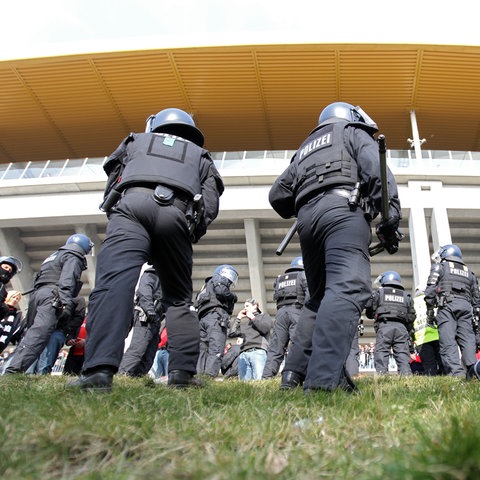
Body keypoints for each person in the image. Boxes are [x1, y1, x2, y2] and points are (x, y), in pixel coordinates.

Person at [68, 107, 224, 391]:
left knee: (113, 286)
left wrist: (116, 214)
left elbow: (113, 180)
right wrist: (190, 233)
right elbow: (210, 203)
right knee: (178, 299)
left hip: (132, 205)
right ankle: (182, 375)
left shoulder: (134, 140)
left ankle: (98, 372)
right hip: (177, 211)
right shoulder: (202, 156)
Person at [269, 101, 402, 393]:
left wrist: (311, 196)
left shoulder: (304, 147)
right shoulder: (353, 132)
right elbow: (377, 172)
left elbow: (277, 196)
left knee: (317, 298)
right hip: (344, 210)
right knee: (348, 287)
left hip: (306, 221)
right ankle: (322, 380)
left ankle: (292, 375)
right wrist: (390, 218)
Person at [4, 234, 92, 374]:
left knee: (32, 334)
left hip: (38, 295)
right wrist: (65, 303)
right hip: (52, 296)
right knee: (40, 334)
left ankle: (14, 367)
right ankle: (14, 370)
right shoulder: (74, 255)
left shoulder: (53, 256)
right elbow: (68, 280)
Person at [424, 244, 480, 379]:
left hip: (447, 306)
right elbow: (477, 299)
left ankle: (456, 375)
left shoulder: (440, 267)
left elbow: (430, 290)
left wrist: (430, 311)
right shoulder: (469, 273)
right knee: (467, 341)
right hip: (466, 308)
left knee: (448, 342)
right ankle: (472, 373)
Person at [262, 256, 308, 379]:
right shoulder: (303, 275)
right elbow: (309, 296)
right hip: (297, 312)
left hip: (281, 313)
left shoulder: (279, 279)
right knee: (296, 345)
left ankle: (266, 376)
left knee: (276, 347)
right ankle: (290, 376)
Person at [365, 271, 415, 376]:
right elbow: (411, 316)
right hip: (401, 328)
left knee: (382, 352)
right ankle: (406, 376)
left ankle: (382, 376)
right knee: (402, 353)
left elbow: (369, 312)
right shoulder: (406, 296)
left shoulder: (379, 293)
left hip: (384, 326)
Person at [118, 266, 164, 377]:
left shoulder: (165, 279)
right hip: (146, 318)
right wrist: (149, 309)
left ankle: (137, 378)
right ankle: (123, 376)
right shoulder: (151, 274)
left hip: (155, 319)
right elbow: (145, 291)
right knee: (138, 349)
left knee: (149, 353)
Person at [195, 264, 238, 377]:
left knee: (202, 349)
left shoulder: (205, 286)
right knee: (216, 348)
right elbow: (221, 291)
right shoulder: (219, 279)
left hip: (202, 319)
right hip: (216, 317)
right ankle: (209, 376)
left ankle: (199, 375)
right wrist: (233, 297)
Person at [33, 296, 86, 375]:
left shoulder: (77, 301)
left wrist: (86, 341)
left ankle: (42, 375)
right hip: (73, 352)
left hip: (86, 353)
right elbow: (73, 332)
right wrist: (69, 339)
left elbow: (78, 318)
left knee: (45, 363)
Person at [228, 298, 273, 381]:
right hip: (244, 354)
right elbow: (232, 333)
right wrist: (238, 318)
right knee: (244, 384)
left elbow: (265, 329)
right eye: (244, 306)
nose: (245, 308)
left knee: (260, 381)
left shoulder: (264, 316)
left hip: (258, 351)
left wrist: (253, 318)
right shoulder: (245, 324)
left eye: (247, 306)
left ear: (255, 306)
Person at [411, 285, 443, 376]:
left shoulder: (412, 303)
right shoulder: (432, 300)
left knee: (429, 367)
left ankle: (431, 386)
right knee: (443, 363)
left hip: (422, 339)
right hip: (437, 336)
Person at [0, 290, 26, 355]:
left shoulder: (16, 314)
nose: (15, 300)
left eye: (17, 299)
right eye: (13, 297)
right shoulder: (2, 308)